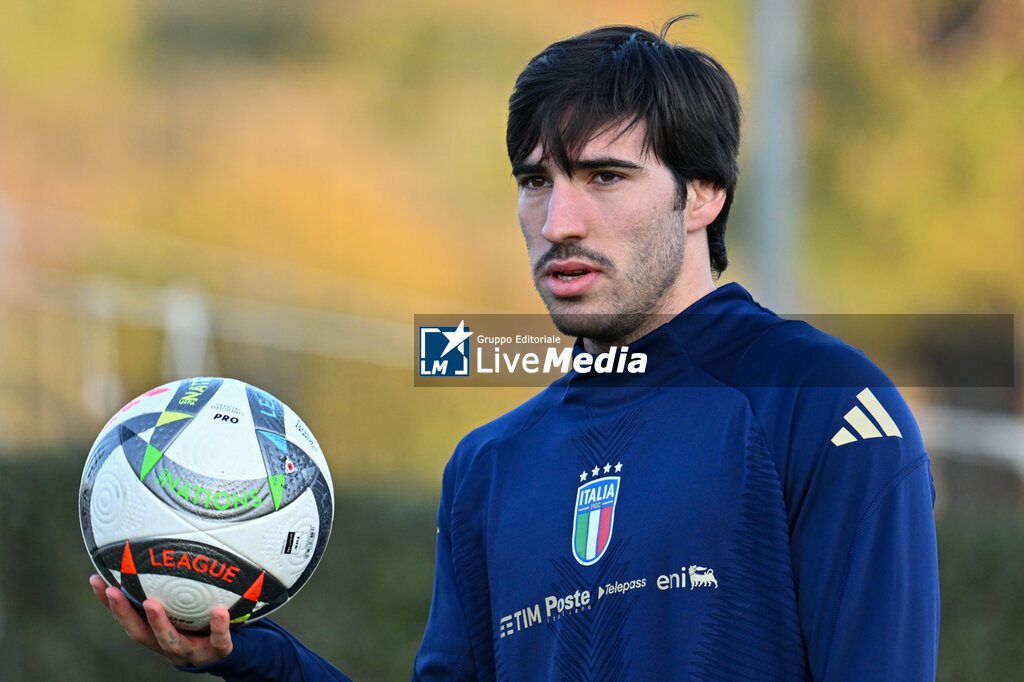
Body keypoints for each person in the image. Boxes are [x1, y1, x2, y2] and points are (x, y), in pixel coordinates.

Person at [90, 17, 940, 681]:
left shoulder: (823, 403)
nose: (557, 222)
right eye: (536, 182)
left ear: (704, 194)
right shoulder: (488, 468)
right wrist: (256, 658)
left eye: (604, 176)